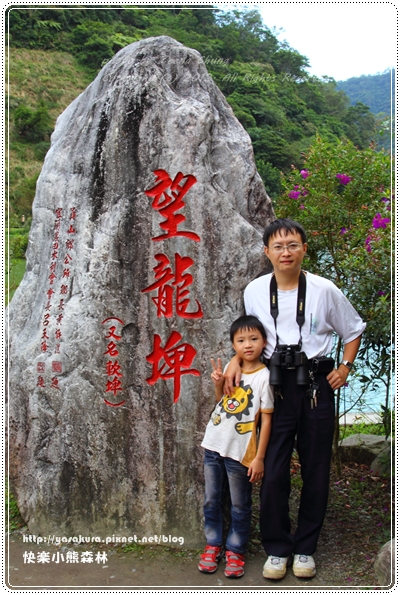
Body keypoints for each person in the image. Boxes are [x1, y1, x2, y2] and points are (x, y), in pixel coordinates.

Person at [224, 218, 366, 580]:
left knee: (316, 468)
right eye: (278, 246)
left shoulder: (323, 289)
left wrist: (346, 366)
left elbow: (353, 329)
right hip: (274, 386)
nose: (285, 252)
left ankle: (305, 548)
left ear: (304, 248)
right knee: (272, 469)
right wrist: (236, 360)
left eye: (292, 245)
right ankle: (277, 548)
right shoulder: (255, 290)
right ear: (266, 252)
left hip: (315, 383)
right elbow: (248, 335)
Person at [198, 315, 274, 579]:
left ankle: (235, 550)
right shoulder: (233, 371)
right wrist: (218, 385)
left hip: (241, 452)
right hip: (213, 444)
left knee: (240, 504)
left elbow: (266, 419)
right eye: (241, 340)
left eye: (254, 339)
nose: (248, 345)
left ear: (264, 342)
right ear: (233, 345)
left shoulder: (264, 377)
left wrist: (259, 458)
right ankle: (213, 544)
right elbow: (222, 402)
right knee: (211, 499)